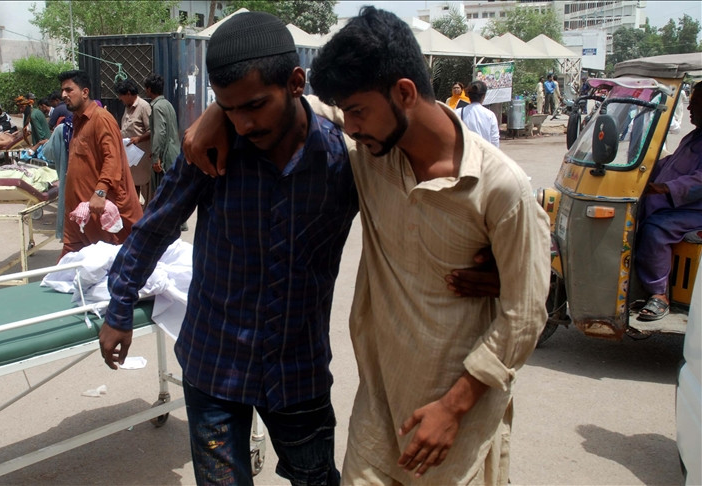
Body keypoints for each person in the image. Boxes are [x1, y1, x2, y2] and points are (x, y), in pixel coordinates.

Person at [184, 6, 549, 484]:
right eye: (347, 113)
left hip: (456, 419)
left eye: (357, 112)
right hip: (378, 414)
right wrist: (219, 112)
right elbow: (294, 101)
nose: (349, 126)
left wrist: (454, 408)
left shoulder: (500, 188)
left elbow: (525, 314)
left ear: (404, 93)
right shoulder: (373, 155)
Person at [101, 13, 357, 484]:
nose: (242, 122)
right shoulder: (211, 152)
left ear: (297, 82)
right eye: (228, 108)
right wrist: (119, 308)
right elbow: (155, 228)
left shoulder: (344, 163)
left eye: (255, 105)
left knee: (317, 479)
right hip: (214, 363)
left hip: (298, 368)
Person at [57, 69, 143, 256]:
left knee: (112, 262)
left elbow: (112, 158)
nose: (64, 95)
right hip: (79, 213)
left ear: (85, 92)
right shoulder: (78, 121)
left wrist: (100, 192)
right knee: (69, 264)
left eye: (69, 90)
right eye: (62, 91)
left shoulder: (101, 119)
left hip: (99, 209)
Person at [635, 82, 702, 321]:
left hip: (696, 209)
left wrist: (664, 188)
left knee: (655, 229)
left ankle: (658, 294)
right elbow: (672, 163)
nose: (691, 107)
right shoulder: (695, 136)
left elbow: (699, 181)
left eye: (696, 103)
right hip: (681, 204)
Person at [114, 79, 153, 208]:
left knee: (146, 188)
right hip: (130, 155)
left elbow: (151, 130)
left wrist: (138, 139)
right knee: (131, 186)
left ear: (129, 93)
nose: (121, 99)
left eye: (122, 96)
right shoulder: (127, 107)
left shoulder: (143, 107)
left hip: (142, 155)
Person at [143, 73, 180, 198]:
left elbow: (160, 133)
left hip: (165, 157)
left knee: (163, 194)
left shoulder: (157, 107)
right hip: (172, 153)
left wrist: (156, 157)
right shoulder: (167, 104)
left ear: (149, 89)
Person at [456, 80, 500, 147]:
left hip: (466, 154)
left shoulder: (458, 112)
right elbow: (495, 140)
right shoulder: (490, 115)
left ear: (468, 95)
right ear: (483, 96)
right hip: (484, 154)